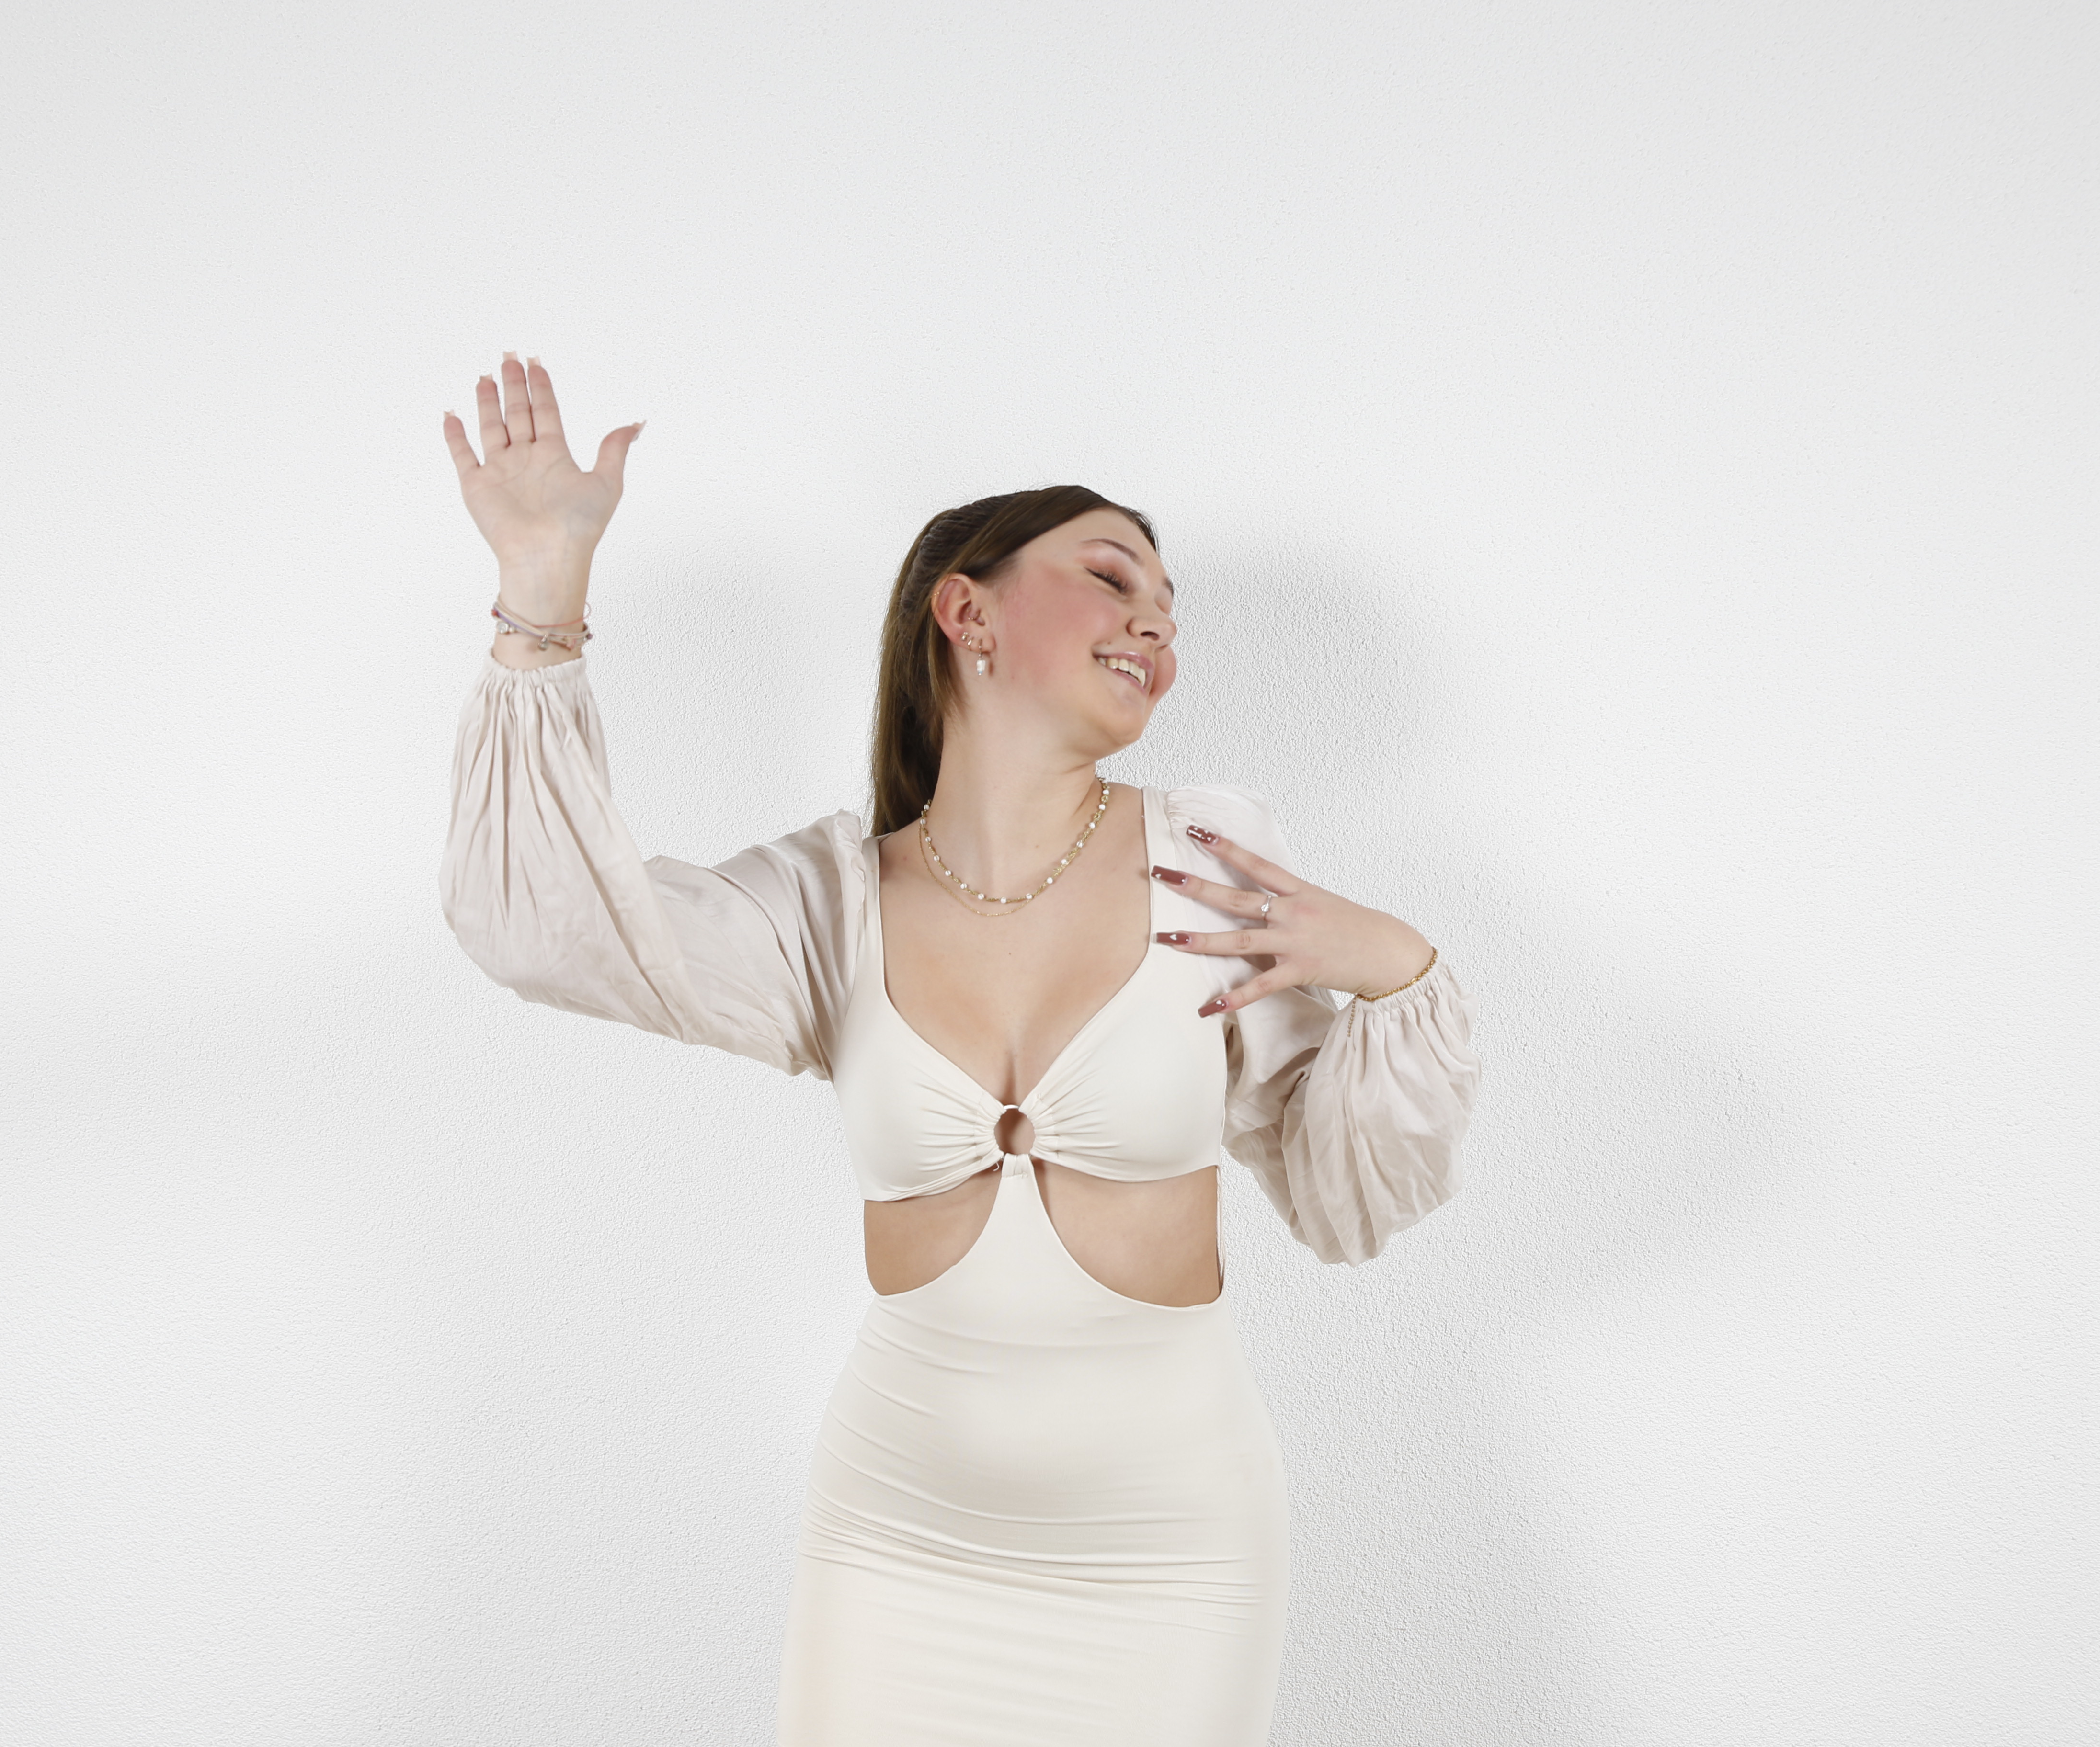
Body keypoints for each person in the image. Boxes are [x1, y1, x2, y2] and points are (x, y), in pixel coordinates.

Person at [437, 353, 1482, 1745]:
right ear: (966, 610)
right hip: (896, 1535)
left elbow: (1348, 1195)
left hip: (1169, 1546)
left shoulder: (1210, 859)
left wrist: (1397, 969)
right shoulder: (831, 903)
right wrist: (542, 592)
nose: (1156, 625)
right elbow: (545, 930)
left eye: (1170, 612)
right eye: (1112, 577)